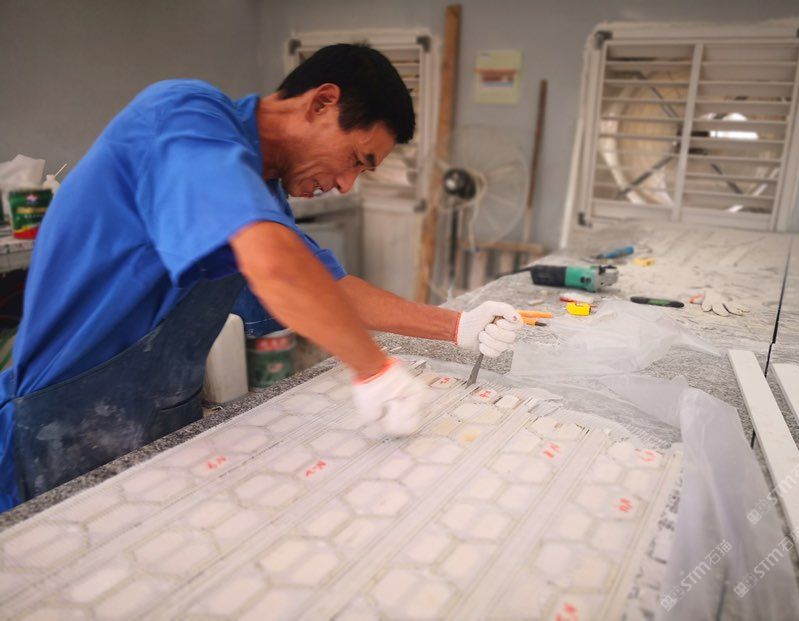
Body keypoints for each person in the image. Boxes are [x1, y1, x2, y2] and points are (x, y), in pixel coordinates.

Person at [0, 44, 521, 512]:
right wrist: (374, 370)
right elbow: (275, 266)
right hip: (57, 429)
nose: (345, 185)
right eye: (354, 160)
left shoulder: (263, 196)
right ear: (322, 103)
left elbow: (328, 289)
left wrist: (458, 327)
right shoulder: (183, 119)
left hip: (160, 429)